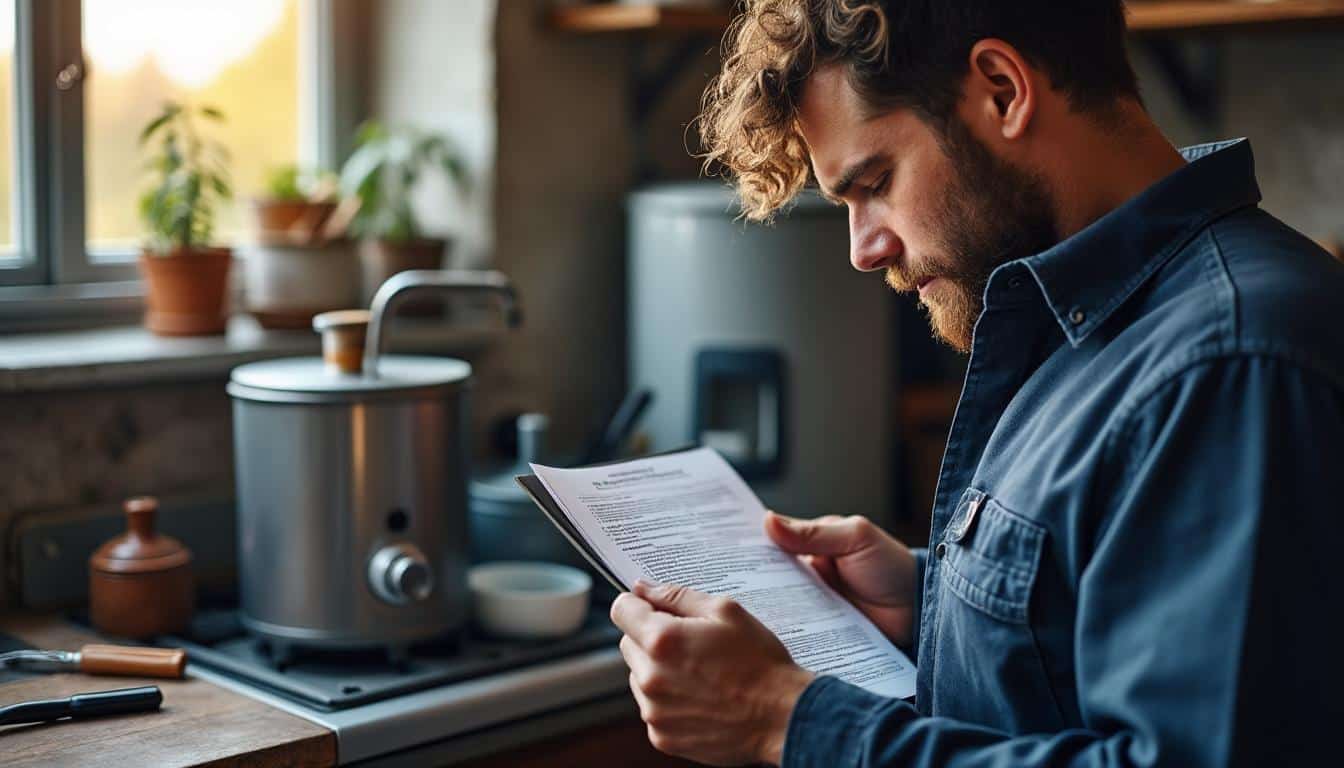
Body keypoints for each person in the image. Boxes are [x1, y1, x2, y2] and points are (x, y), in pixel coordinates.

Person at [608, 2, 1344, 766]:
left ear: (1002, 90)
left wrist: (784, 721)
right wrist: (932, 601)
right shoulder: (1085, 312)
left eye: (876, 182)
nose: (864, 249)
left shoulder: (1231, 361)